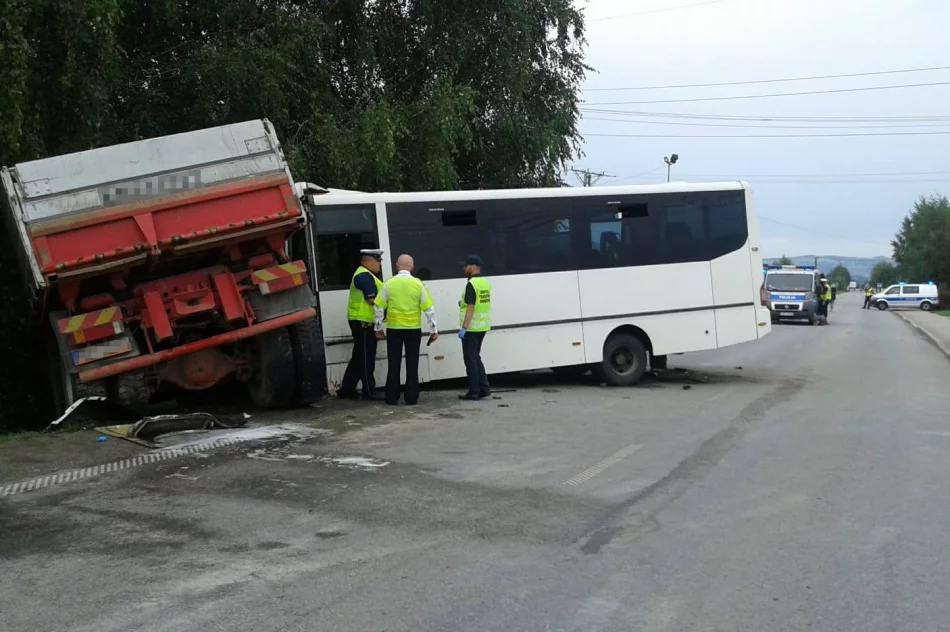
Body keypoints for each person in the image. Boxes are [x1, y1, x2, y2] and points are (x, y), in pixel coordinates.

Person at [374, 254, 438, 405]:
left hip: (394, 329)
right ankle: (411, 397)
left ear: (397, 265)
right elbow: (429, 309)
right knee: (412, 363)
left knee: (393, 363)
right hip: (413, 330)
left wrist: (378, 327)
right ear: (412, 267)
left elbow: (378, 307)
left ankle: (391, 397)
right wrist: (433, 330)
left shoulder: (389, 284)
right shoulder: (419, 284)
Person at [339, 249, 384, 400]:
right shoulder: (364, 276)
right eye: (378, 261)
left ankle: (347, 389)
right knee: (366, 357)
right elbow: (372, 300)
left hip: (362, 321)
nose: (380, 265)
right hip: (363, 323)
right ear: (368, 262)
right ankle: (369, 391)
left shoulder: (366, 275)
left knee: (359, 356)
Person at [458, 255, 492, 400]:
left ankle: (474, 391)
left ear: (473, 266)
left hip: (471, 328)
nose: (464, 268)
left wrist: (464, 327)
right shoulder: (485, 282)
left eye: (466, 266)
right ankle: (484, 388)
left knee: (470, 359)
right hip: (483, 326)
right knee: (476, 357)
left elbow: (471, 306)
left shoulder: (471, 284)